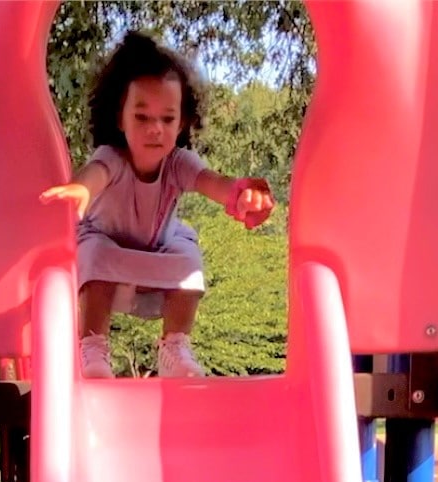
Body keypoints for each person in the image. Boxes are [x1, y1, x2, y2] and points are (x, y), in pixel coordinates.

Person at [40, 30, 274, 379]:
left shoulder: (179, 163)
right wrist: (80, 190)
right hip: (109, 249)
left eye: (167, 118)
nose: (155, 129)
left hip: (158, 251)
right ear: (120, 119)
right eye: (142, 117)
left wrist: (240, 196)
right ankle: (92, 346)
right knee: (92, 250)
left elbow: (212, 182)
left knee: (188, 256)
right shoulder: (113, 158)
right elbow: (96, 174)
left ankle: (175, 345)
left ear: (181, 123)